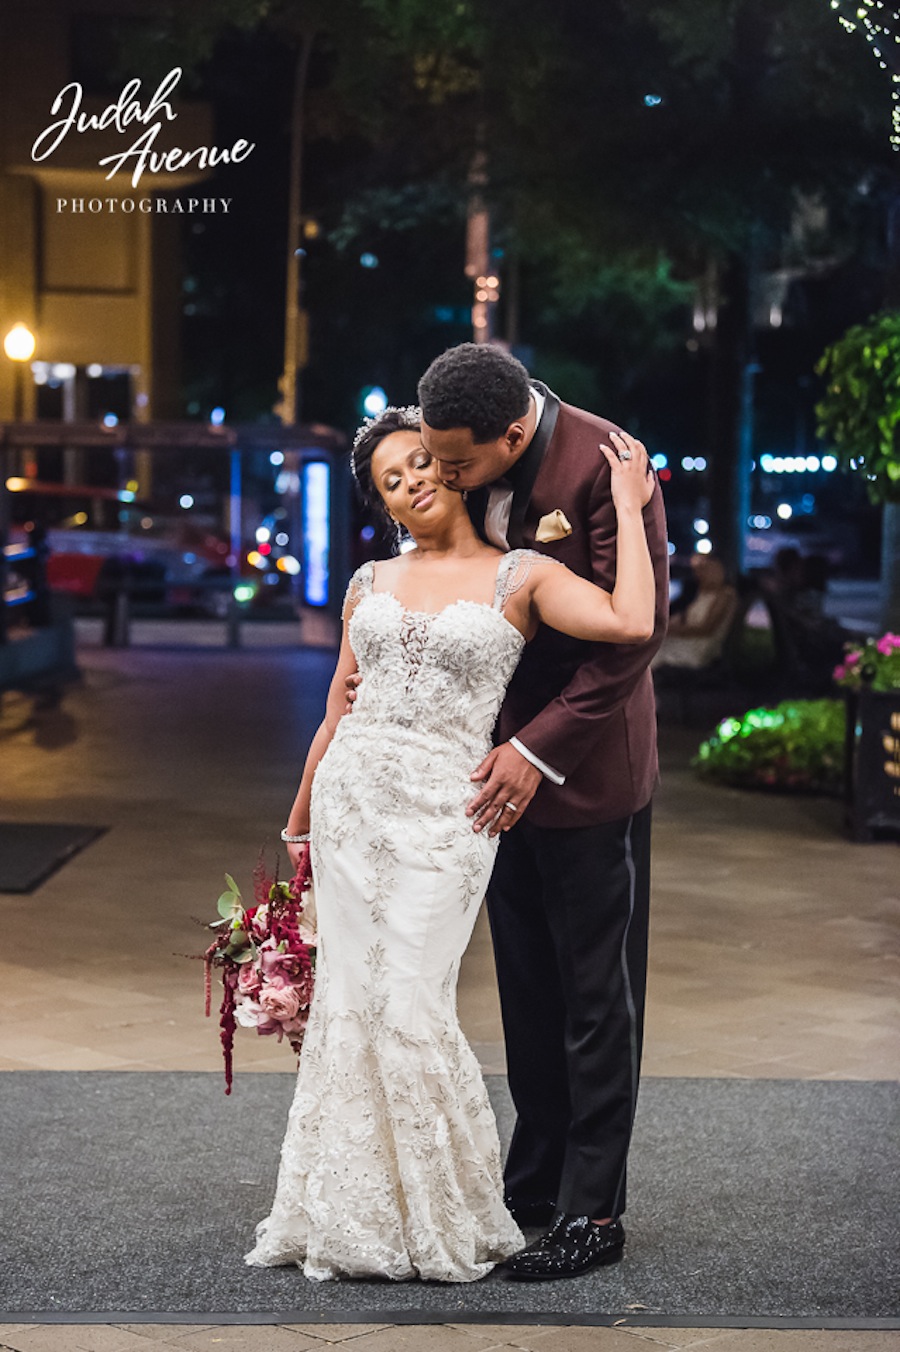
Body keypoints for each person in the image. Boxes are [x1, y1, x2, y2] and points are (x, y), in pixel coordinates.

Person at [244, 403, 657, 1283]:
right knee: (350, 1001)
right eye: (393, 480)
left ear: (454, 465)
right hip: (356, 803)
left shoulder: (523, 571)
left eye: (422, 463)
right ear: (386, 505)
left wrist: (628, 504)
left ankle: (453, 1205)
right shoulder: (366, 584)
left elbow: (630, 624)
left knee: (413, 999)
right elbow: (335, 713)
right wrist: (298, 829)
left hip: (452, 813)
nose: (414, 482)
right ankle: (354, 1208)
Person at [396, 343, 670, 1281]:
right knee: (525, 987)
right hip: (487, 769)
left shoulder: (604, 466)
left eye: (459, 463)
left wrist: (535, 748)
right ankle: (535, 1182)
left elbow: (632, 642)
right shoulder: (457, 446)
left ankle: (594, 1212)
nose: (444, 474)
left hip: (584, 767)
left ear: (513, 433)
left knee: (595, 997)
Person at [652, 552, 737, 671]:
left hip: (700, 644)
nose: (700, 574)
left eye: (705, 570)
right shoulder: (698, 593)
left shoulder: (725, 595)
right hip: (686, 637)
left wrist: (671, 631)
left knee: (654, 653)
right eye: (698, 570)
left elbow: (706, 629)